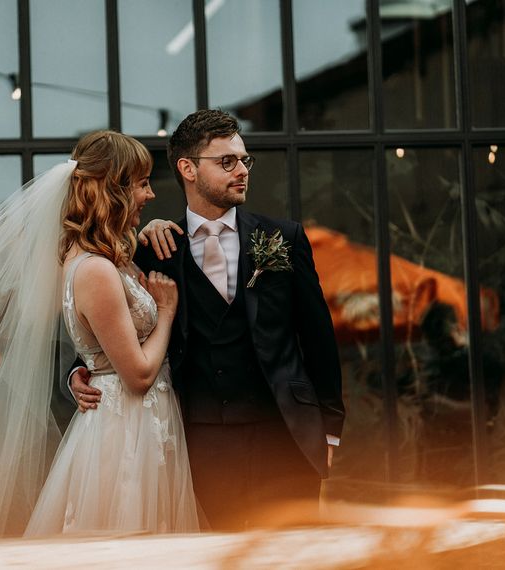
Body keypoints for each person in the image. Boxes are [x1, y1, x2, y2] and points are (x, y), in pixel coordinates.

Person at [0, 130, 198, 539]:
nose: (150, 194)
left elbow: (92, 340)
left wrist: (79, 369)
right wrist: (166, 312)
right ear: (113, 190)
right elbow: (137, 376)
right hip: (124, 429)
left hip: (144, 421)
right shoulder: (96, 270)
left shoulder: (103, 258)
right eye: (142, 184)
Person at [71, 110, 345, 531]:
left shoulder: (284, 238)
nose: (242, 171)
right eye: (227, 162)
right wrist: (79, 371)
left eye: (244, 160)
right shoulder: (154, 249)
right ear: (188, 169)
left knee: (293, 555)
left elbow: (318, 337)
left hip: (286, 437)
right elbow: (107, 321)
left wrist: (329, 430)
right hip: (200, 447)